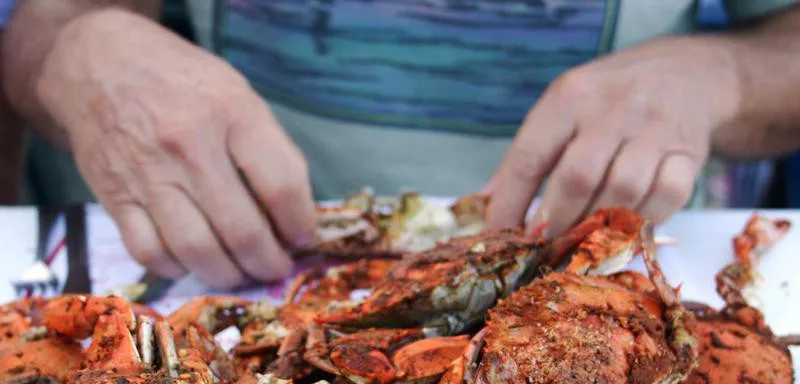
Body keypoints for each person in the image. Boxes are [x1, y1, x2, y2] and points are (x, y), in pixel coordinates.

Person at [3, 1, 800, 288]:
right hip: (184, 254)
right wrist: (67, 48)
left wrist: (721, 71)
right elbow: (46, 22)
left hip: (615, 257)